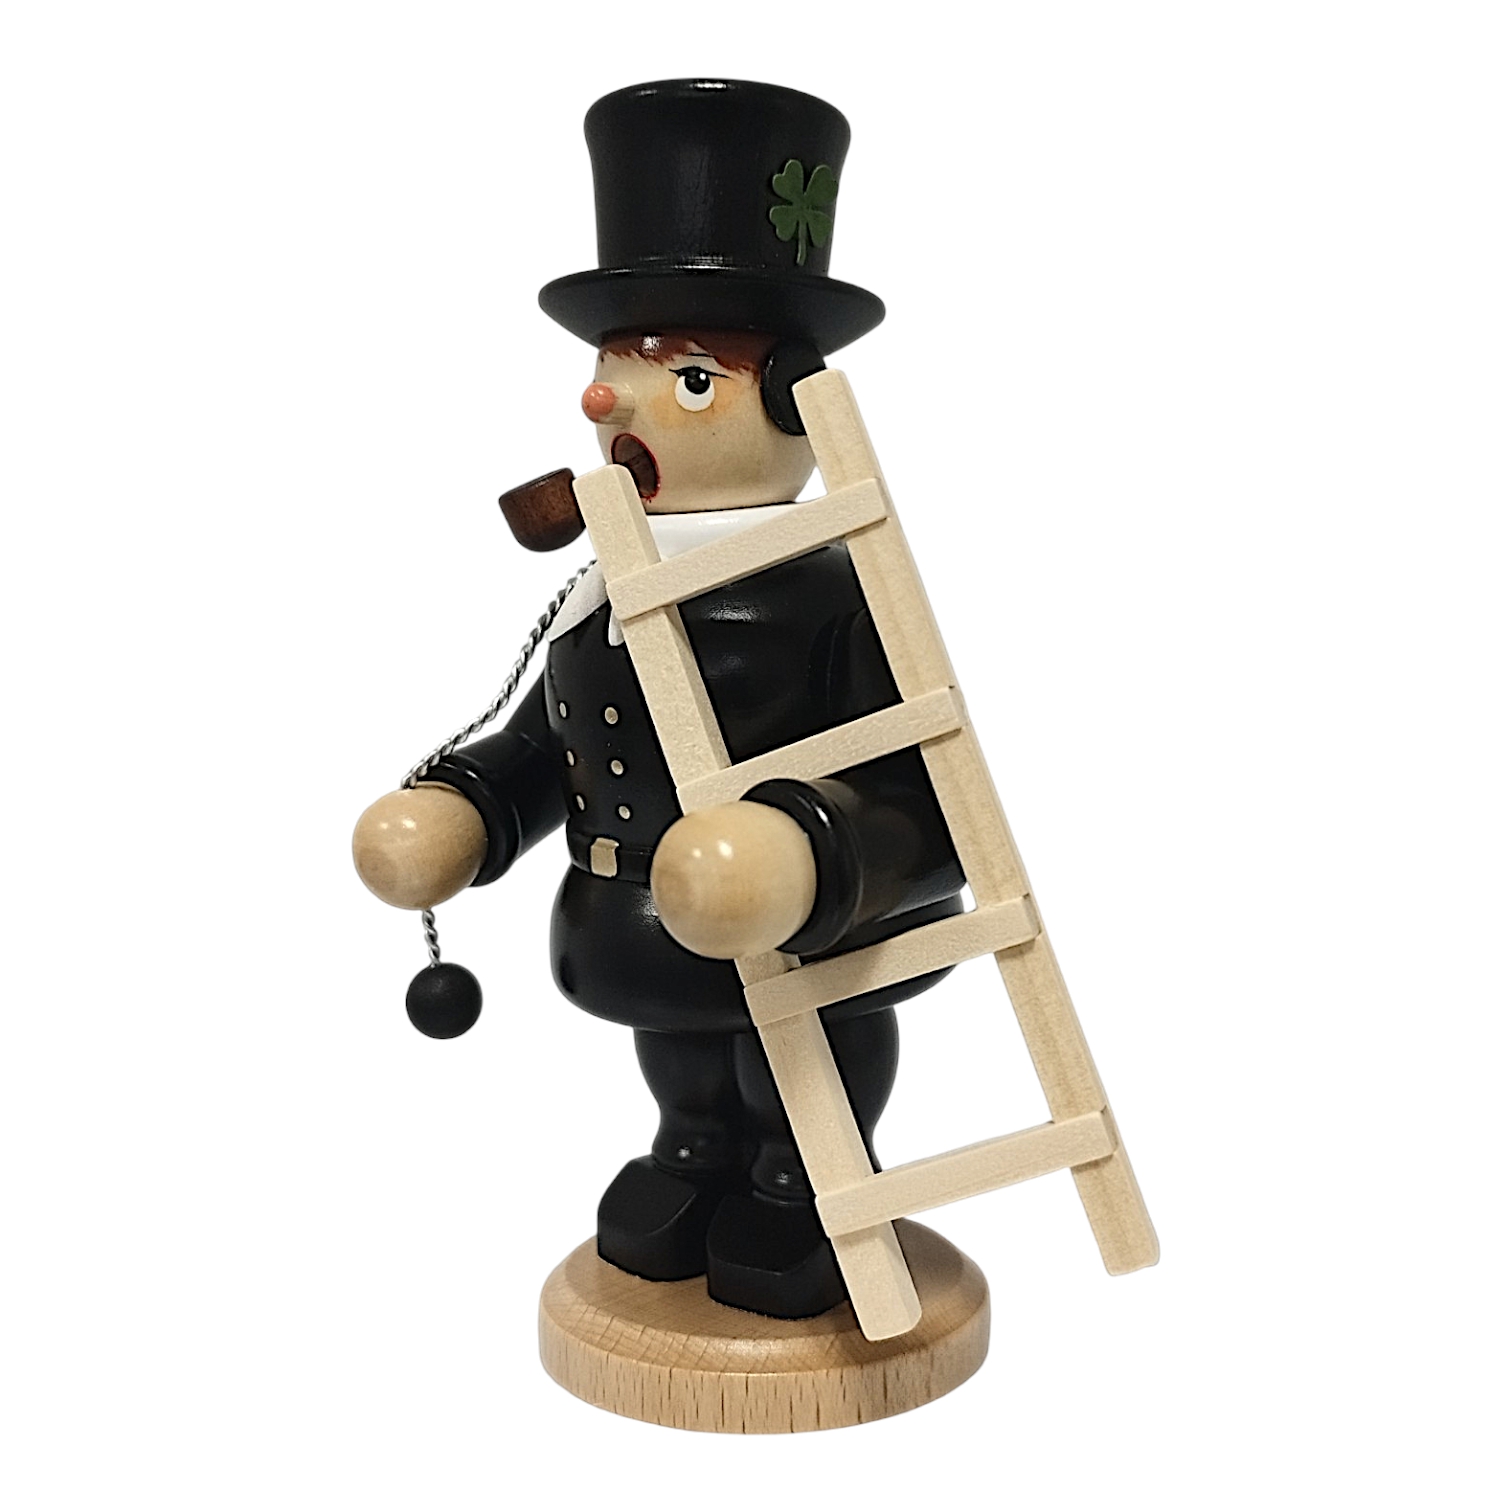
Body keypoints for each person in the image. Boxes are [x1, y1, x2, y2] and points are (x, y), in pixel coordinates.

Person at [353, 80, 962, 1319]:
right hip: (644, 923)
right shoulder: (604, 590)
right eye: (611, 367)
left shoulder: (837, 593)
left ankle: (803, 1181)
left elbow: (925, 796)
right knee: (688, 1061)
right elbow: (553, 739)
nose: (607, 401)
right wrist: (471, 806)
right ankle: (695, 1152)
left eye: (685, 379)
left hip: (811, 938)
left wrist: (804, 848)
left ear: (793, 404)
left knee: (805, 1059)